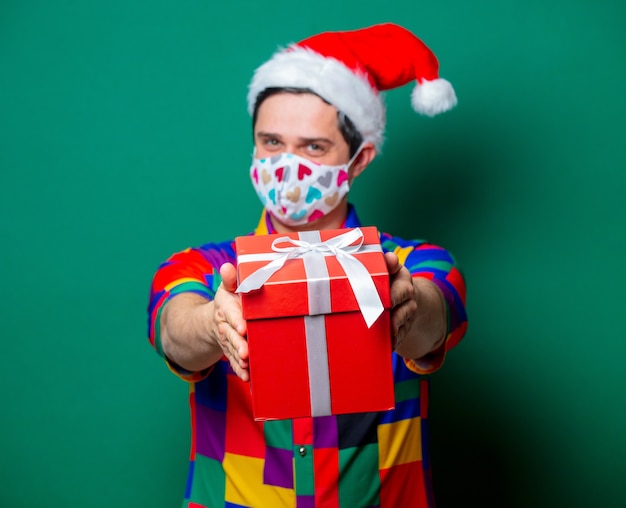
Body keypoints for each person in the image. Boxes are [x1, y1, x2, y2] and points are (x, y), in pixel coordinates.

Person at [148, 22, 467, 508]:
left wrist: (405, 308)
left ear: (359, 160)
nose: (287, 166)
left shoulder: (412, 263)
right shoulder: (204, 268)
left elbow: (435, 313)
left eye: (313, 147)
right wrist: (214, 325)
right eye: (271, 142)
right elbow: (174, 328)